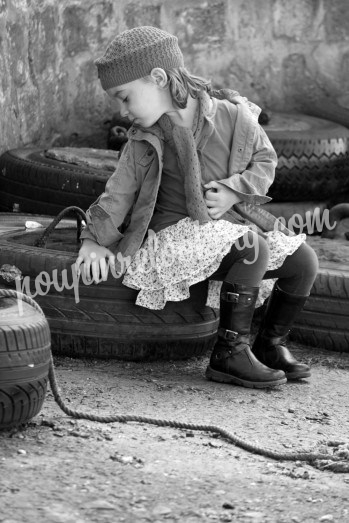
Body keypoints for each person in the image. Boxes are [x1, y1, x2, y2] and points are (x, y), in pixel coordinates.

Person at [75, 26, 319, 389]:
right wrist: (94, 240)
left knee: (304, 262)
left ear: (158, 78)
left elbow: (265, 162)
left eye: (124, 97)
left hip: (225, 228)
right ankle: (227, 353)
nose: (122, 111)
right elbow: (118, 195)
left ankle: (269, 344)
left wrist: (235, 192)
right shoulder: (144, 140)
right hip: (172, 236)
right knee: (252, 249)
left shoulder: (234, 116)